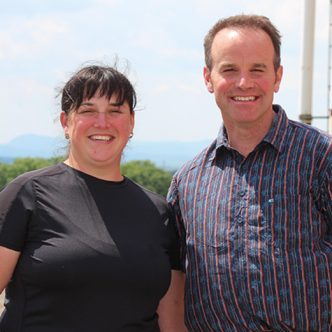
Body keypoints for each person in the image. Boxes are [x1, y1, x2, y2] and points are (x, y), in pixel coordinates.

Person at [167, 14, 332, 331]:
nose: (244, 83)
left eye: (258, 69)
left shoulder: (322, 158)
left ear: (278, 77)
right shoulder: (187, 184)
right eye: (229, 69)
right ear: (208, 78)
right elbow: (177, 282)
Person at [0, 64, 187, 331]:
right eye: (88, 110)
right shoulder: (28, 194)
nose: (102, 123)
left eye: (115, 111)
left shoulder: (159, 212)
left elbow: (172, 316)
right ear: (66, 122)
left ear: (131, 122)